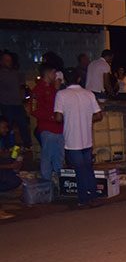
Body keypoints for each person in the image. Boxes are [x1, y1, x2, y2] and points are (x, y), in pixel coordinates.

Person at [54, 71, 103, 208]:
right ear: (79, 79)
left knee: (80, 170)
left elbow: (58, 117)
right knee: (88, 168)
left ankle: (84, 198)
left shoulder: (61, 94)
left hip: (72, 140)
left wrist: (70, 118)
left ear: (65, 80)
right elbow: (99, 115)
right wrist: (85, 119)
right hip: (87, 138)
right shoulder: (89, 94)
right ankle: (93, 196)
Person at [32, 65, 63, 183]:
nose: (55, 76)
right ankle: (46, 183)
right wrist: (51, 117)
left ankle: (59, 182)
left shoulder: (54, 88)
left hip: (58, 128)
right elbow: (34, 110)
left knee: (58, 157)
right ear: (49, 73)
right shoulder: (38, 89)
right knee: (47, 157)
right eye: (54, 73)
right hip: (47, 128)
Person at [0, 51, 30, 149]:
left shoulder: (17, 74)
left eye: (9, 60)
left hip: (18, 104)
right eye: (6, 60)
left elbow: (22, 88)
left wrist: (24, 100)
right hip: (6, 104)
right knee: (7, 127)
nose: (8, 62)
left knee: (23, 125)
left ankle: (27, 145)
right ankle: (7, 147)